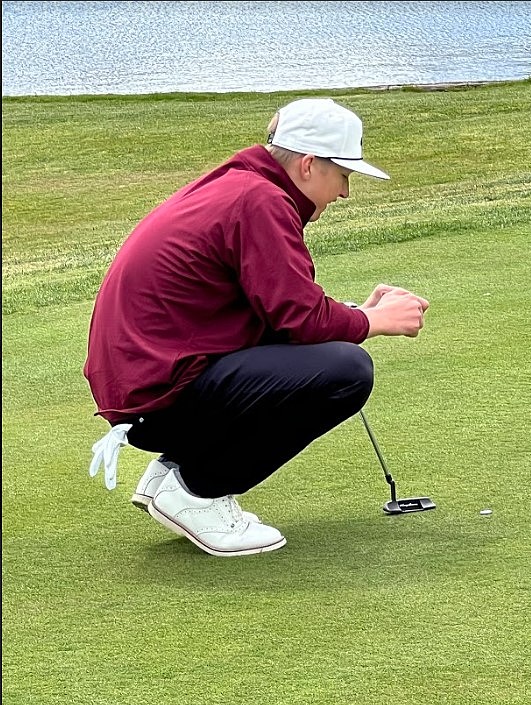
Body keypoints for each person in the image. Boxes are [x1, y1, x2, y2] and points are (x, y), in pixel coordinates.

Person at [84, 97, 429, 558]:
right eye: (343, 176)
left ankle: (172, 474)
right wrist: (373, 322)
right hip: (161, 399)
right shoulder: (261, 200)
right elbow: (300, 320)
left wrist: (351, 314)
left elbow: (279, 312)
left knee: (333, 355)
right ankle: (197, 491)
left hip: (152, 391)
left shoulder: (241, 187)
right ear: (308, 165)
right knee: (347, 371)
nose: (345, 192)